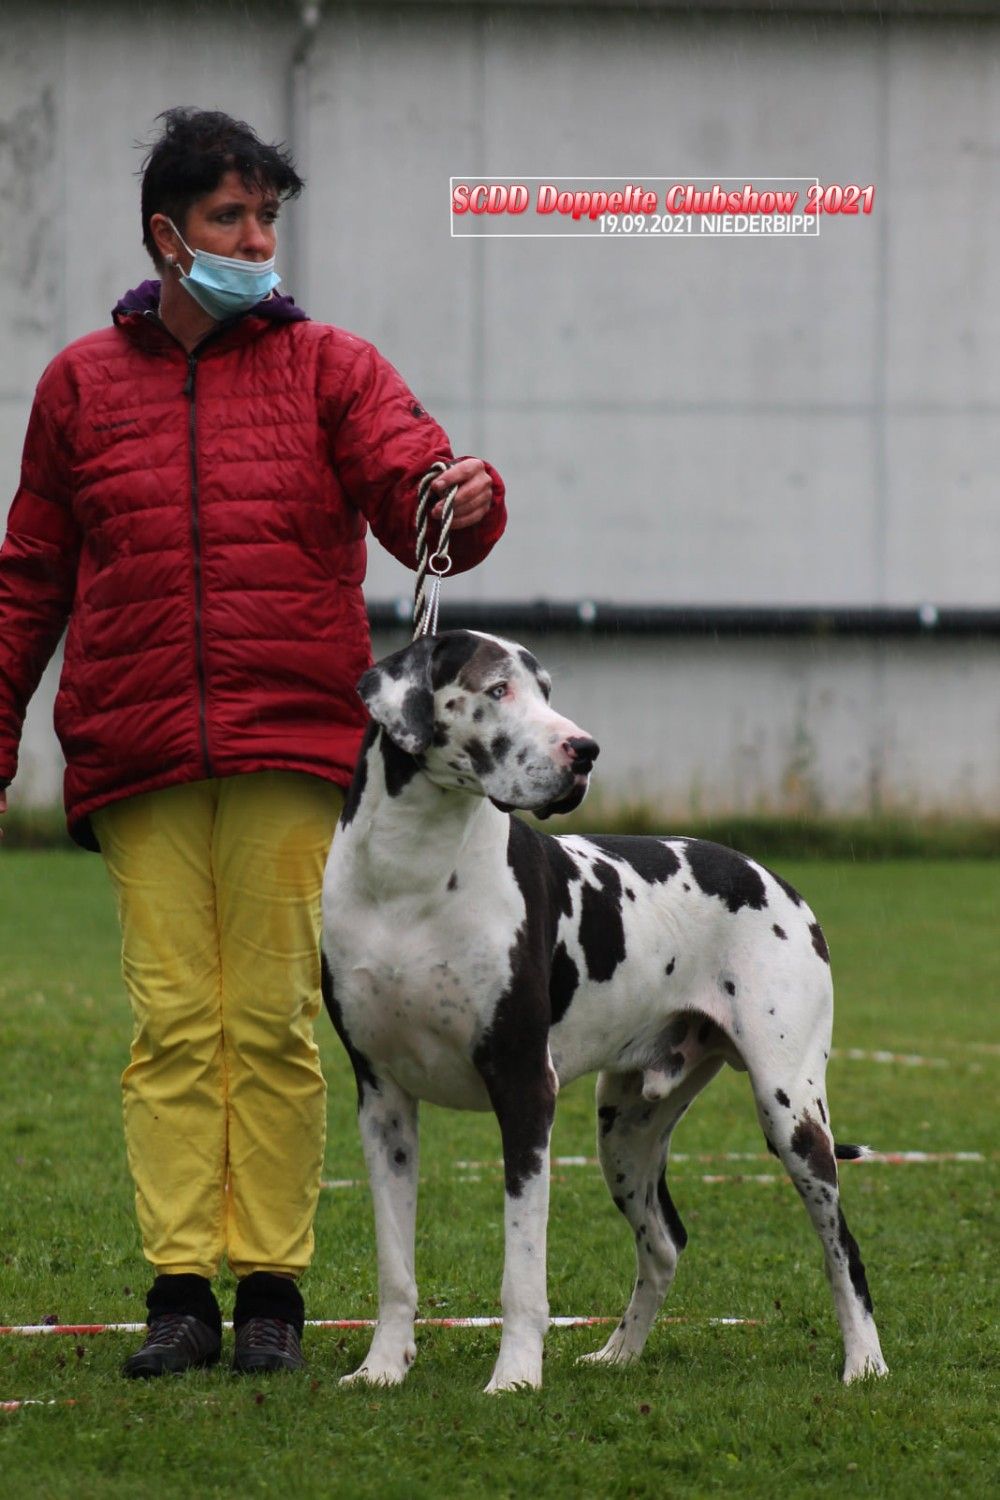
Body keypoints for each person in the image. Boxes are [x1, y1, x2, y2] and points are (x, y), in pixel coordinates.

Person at [0, 108, 505, 1377]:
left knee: (275, 1021)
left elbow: (413, 493)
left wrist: (460, 497)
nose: (256, 240)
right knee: (173, 1022)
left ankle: (272, 1292)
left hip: (292, 742)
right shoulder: (76, 387)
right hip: (136, 749)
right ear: (167, 237)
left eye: (267, 217)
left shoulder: (332, 368)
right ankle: (179, 1290)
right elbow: (30, 578)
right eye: (229, 218)